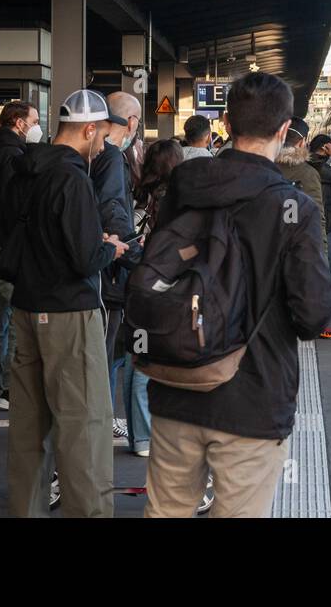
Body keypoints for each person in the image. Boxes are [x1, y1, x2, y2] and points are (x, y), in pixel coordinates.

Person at [144, 72, 331, 518]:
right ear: (285, 129)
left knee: (165, 512)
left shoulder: (185, 185)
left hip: (176, 381)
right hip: (253, 395)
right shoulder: (295, 209)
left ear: (226, 123)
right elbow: (312, 315)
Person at [0, 89, 127, 518]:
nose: (103, 145)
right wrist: (111, 248)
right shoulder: (73, 178)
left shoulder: (26, 170)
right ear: (89, 129)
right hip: (70, 314)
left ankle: (27, 510)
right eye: (103, 136)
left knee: (28, 428)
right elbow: (84, 256)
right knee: (84, 427)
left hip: (26, 308)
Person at [0, 101, 40, 410]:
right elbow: (17, 203)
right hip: (7, 248)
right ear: (18, 122)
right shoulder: (13, 156)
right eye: (34, 120)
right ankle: (14, 389)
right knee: (17, 319)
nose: (36, 127)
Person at [123, 138, 183, 458]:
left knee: (137, 355)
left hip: (138, 280)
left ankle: (139, 437)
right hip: (160, 282)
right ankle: (146, 436)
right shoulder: (171, 197)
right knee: (149, 359)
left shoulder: (140, 192)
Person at [91, 91, 143, 451]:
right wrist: (135, 255)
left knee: (103, 353)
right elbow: (112, 207)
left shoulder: (91, 156)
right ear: (132, 124)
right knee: (106, 354)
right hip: (108, 271)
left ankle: (100, 420)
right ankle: (103, 423)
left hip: (96, 266)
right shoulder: (111, 158)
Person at [275, 117, 326, 255]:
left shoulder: (263, 168)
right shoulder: (308, 174)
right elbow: (316, 223)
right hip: (297, 255)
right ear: (302, 142)